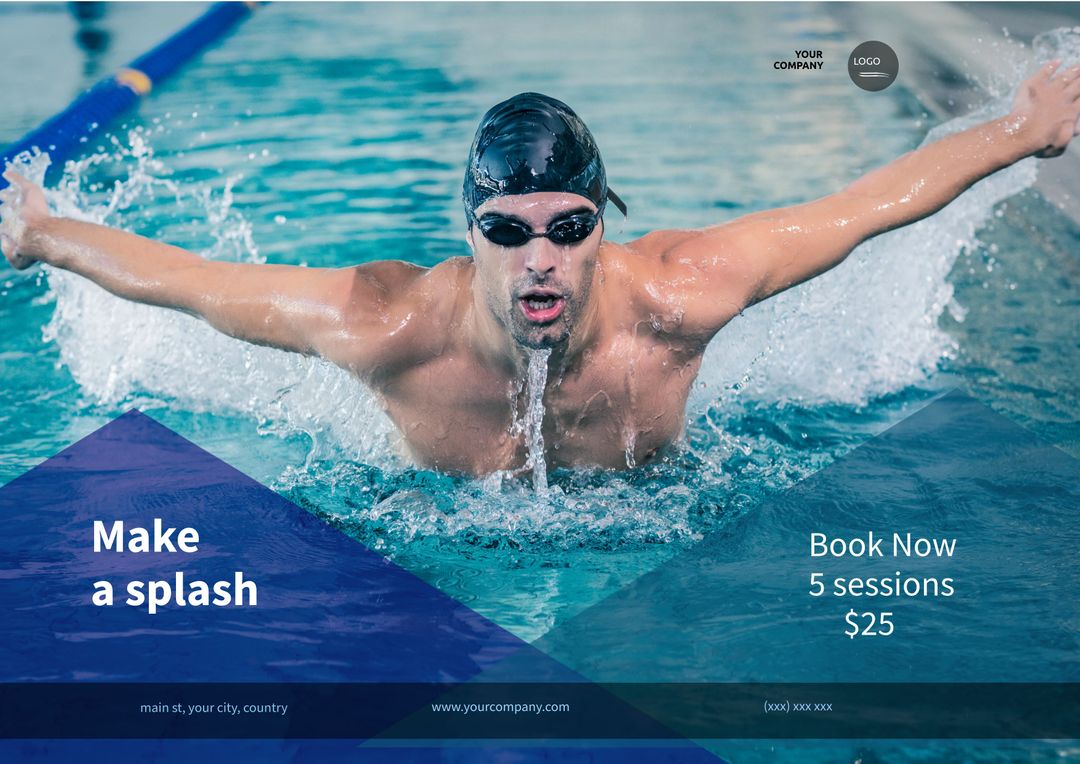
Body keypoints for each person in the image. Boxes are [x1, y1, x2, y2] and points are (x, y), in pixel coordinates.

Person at [3, 63, 1080, 476]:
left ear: (604, 220)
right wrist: (46, 234)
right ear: (468, 230)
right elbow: (189, 280)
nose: (542, 259)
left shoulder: (681, 290)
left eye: (569, 225)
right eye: (509, 231)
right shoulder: (384, 325)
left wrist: (1021, 130)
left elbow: (865, 207)